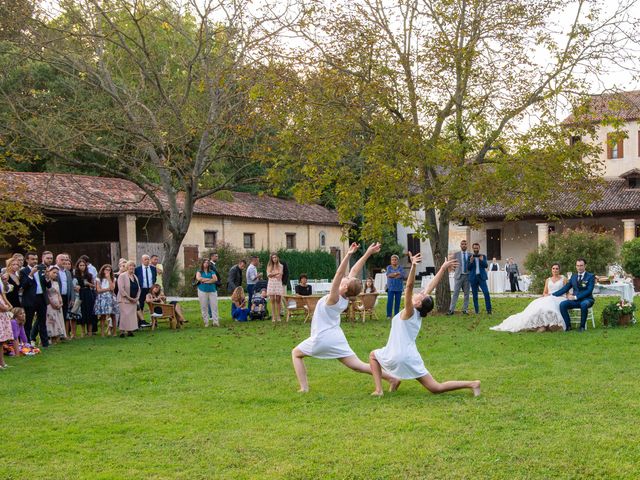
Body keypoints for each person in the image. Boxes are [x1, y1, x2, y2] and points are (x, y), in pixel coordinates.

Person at [292, 242, 400, 393]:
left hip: (322, 338)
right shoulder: (344, 298)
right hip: (336, 337)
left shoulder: (334, 298)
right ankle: (392, 378)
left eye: (346, 281)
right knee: (358, 366)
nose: (345, 278)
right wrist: (368, 253)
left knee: (296, 354)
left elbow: (338, 274)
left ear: (344, 288)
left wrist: (349, 254)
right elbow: (354, 270)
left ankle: (304, 388)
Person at [369, 252, 480, 397]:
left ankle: (379, 390)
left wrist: (414, 266)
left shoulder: (409, 312)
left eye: (421, 295)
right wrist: (443, 268)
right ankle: (472, 384)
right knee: (436, 387)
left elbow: (408, 287)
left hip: (397, 355)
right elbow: (431, 286)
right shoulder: (418, 311)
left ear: (418, 303)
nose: (421, 292)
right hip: (410, 356)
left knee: (373, 356)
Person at [491, 263, 567, 332]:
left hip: (558, 297)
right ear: (551, 270)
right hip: (548, 297)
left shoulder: (563, 279)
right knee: (538, 306)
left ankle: (551, 325)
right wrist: (546, 295)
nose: (555, 270)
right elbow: (545, 292)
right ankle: (540, 325)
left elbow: (567, 291)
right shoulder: (548, 280)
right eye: (553, 268)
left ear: (559, 270)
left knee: (550, 307)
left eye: (557, 268)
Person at [552, 258, 595, 332]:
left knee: (584, 304)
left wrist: (575, 297)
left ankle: (582, 327)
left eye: (581, 265)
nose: (579, 267)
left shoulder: (590, 276)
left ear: (585, 266)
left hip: (587, 299)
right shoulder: (573, 277)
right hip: (575, 301)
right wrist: (552, 295)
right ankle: (568, 326)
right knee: (563, 304)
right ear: (576, 266)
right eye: (578, 266)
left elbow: (589, 290)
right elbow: (565, 288)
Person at [20, 252, 50, 347]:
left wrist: (47, 277)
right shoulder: (23, 271)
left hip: (41, 298)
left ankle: (45, 343)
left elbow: (48, 285)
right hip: (30, 299)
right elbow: (23, 286)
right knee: (28, 322)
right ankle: (27, 343)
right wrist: (31, 274)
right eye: (32, 259)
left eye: (36, 259)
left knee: (42, 322)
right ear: (27, 260)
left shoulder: (42, 269)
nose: (35, 261)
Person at [74, 258, 97, 336]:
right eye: (80, 265)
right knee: (82, 311)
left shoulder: (89, 275)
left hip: (88, 293)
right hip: (80, 293)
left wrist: (89, 284)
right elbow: (74, 285)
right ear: (78, 266)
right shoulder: (76, 276)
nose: (82, 267)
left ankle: (90, 331)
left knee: (89, 311)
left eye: (83, 265)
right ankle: (83, 331)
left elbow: (94, 286)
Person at [447, 240, 471, 315]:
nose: (464, 245)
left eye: (465, 244)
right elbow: (451, 264)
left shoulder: (471, 255)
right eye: (462, 244)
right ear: (460, 245)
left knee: (467, 294)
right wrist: (453, 269)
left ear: (467, 245)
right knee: (455, 293)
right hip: (458, 276)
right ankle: (451, 310)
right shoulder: (456, 254)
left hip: (467, 276)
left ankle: (465, 309)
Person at [117, 261, 140, 337]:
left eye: (133, 266)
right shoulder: (122, 276)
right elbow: (121, 289)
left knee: (131, 316)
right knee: (125, 315)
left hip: (134, 300)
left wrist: (137, 297)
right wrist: (129, 298)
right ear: (127, 267)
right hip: (124, 299)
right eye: (130, 266)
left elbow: (138, 288)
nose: (132, 267)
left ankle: (130, 331)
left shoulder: (135, 276)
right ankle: (122, 331)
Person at [468, 242, 492, 315]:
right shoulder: (470, 257)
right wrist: (471, 261)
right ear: (473, 248)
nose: (475, 249)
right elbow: (468, 268)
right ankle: (476, 311)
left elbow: (485, 266)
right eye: (474, 248)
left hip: (482, 277)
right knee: (475, 295)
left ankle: (489, 310)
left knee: (486, 293)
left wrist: (481, 260)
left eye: (477, 248)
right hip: (473, 278)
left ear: (479, 248)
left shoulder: (483, 256)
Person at [94, 264, 118, 337]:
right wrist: (107, 289)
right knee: (103, 315)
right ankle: (102, 333)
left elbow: (113, 288)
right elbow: (98, 290)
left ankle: (114, 332)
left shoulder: (113, 279)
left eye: (109, 270)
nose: (108, 271)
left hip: (111, 297)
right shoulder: (98, 279)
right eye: (106, 269)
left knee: (113, 315)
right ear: (103, 270)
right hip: (102, 297)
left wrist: (109, 279)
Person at [45, 266, 66, 344]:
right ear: (49, 272)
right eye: (54, 272)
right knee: (51, 320)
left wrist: (61, 302)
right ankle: (51, 337)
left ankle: (58, 336)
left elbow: (59, 293)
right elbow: (47, 294)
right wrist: (52, 304)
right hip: (50, 303)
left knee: (58, 320)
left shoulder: (56, 283)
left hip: (57, 302)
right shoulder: (46, 282)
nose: (55, 274)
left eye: (57, 273)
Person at [55, 254, 75, 334]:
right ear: (57, 261)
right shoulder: (54, 270)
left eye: (65, 260)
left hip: (66, 296)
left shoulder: (68, 272)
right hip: (56, 297)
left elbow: (71, 286)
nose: (64, 261)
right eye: (62, 260)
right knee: (57, 316)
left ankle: (63, 333)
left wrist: (72, 298)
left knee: (64, 316)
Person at [135, 255, 156, 327]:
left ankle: (154, 322)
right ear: (142, 260)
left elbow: (154, 278)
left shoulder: (153, 269)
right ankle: (140, 322)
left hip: (150, 289)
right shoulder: (137, 269)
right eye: (145, 259)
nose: (147, 261)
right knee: (140, 306)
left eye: (148, 259)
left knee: (153, 305)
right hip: (142, 289)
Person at [196, 259, 219, 327]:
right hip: (202, 290)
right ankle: (206, 322)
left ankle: (215, 322)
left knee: (214, 306)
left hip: (212, 290)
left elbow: (215, 279)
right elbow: (199, 278)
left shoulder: (212, 271)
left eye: (207, 263)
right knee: (204, 306)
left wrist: (205, 280)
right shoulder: (199, 271)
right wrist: (209, 279)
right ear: (202, 264)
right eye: (205, 262)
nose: (206, 264)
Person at [385, 254, 405, 320]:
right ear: (391, 261)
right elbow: (388, 275)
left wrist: (393, 275)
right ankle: (389, 315)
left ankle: (396, 315)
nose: (394, 261)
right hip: (390, 287)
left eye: (395, 260)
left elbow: (402, 276)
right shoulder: (389, 267)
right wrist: (396, 274)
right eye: (392, 260)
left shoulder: (401, 268)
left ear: (397, 261)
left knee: (397, 302)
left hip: (399, 287)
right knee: (389, 301)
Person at [266, 253, 284, 323]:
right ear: (271, 259)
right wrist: (276, 274)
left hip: (278, 283)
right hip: (271, 283)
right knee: (272, 300)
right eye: (273, 258)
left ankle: (278, 316)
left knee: (278, 300)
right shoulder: (269, 266)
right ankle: (273, 316)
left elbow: (280, 276)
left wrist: (273, 274)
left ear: (277, 258)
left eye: (275, 257)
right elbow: (269, 275)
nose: (274, 259)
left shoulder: (281, 266)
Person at [0, 285, 14, 368]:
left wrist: (8, 305)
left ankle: (2, 363)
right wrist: (6, 308)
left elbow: (3, 296)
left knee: (1, 342)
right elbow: (3, 308)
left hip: (2, 317)